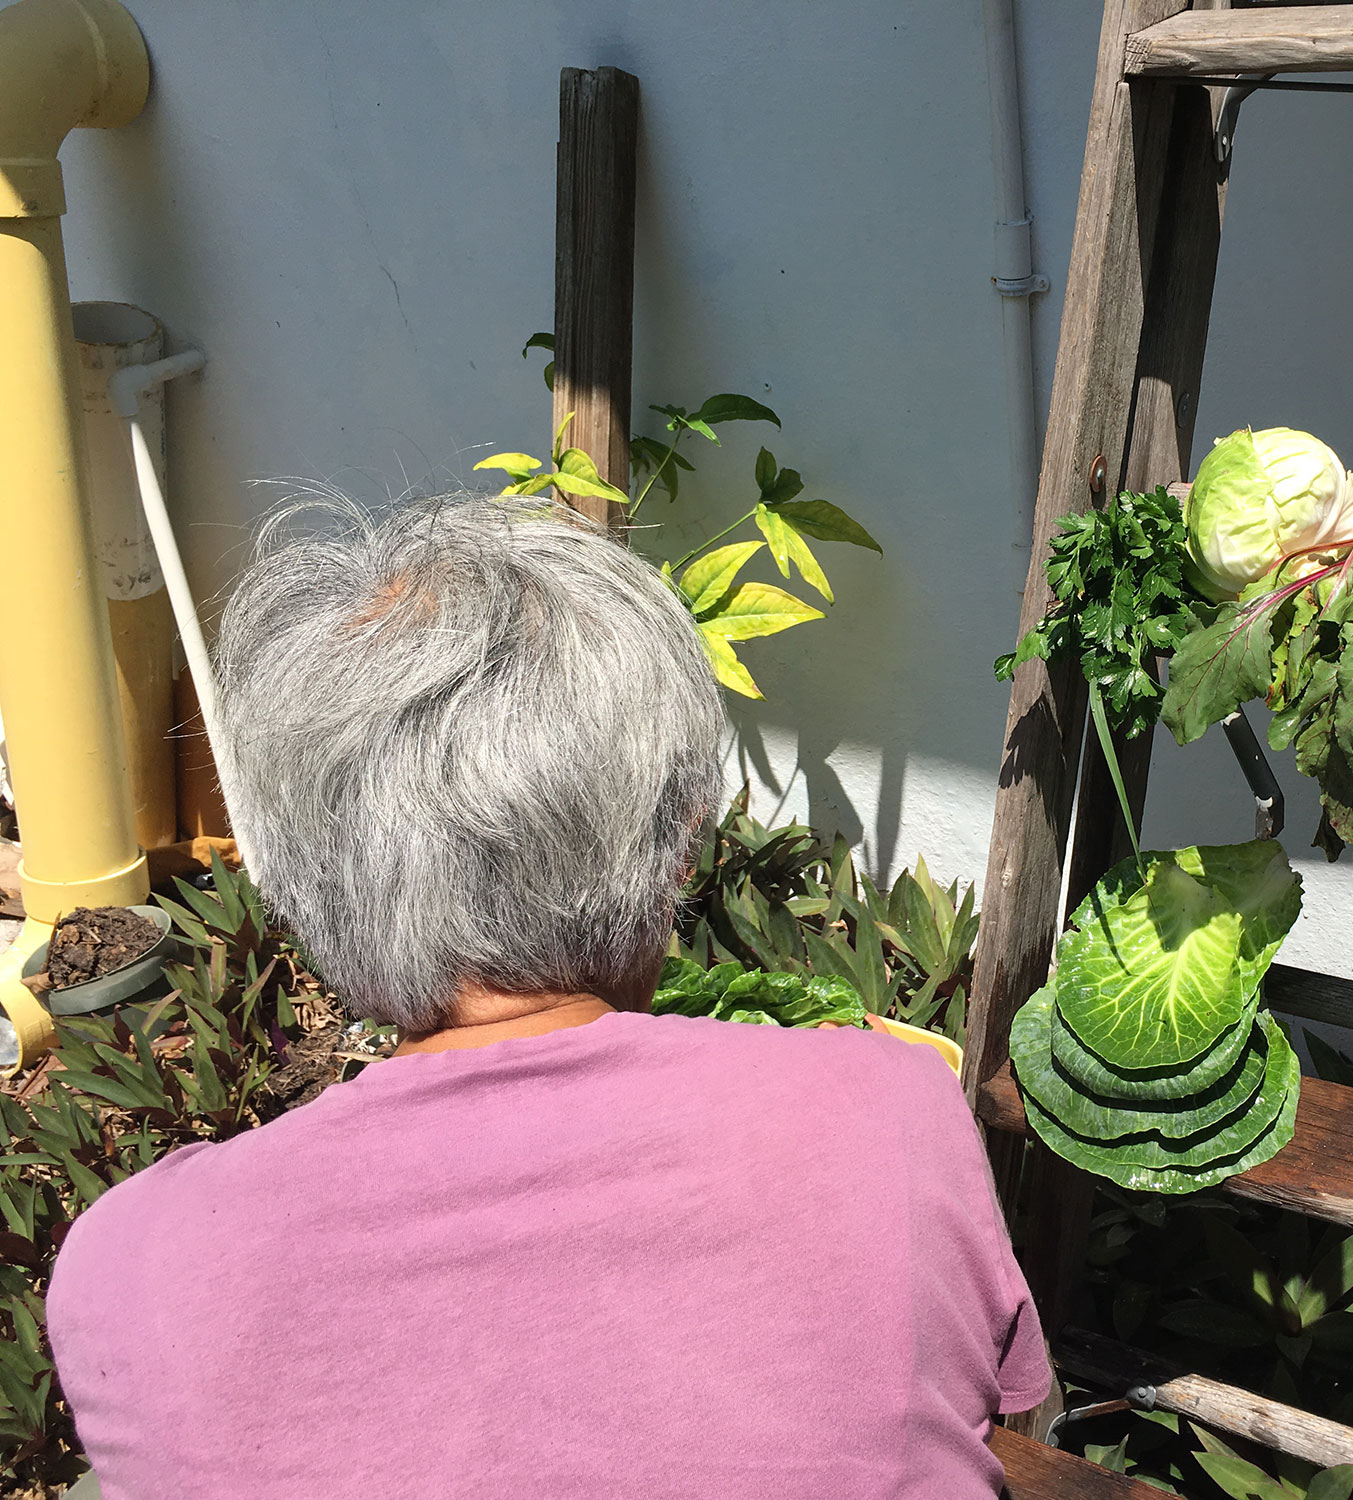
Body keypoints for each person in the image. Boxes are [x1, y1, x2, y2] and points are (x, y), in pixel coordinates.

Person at [47, 495, 1048, 1498]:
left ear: (306, 880)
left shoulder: (133, 1270)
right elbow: (979, 1416)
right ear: (678, 845)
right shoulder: (889, 1113)